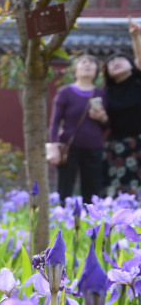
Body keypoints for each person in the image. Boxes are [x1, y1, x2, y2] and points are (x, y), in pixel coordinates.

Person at [48, 54, 108, 203]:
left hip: (94, 148)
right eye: (83, 62)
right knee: (64, 189)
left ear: (97, 71)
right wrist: (54, 145)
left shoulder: (102, 94)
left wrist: (101, 118)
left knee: (92, 191)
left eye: (91, 63)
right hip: (69, 147)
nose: (87, 65)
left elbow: (108, 125)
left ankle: (90, 222)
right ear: (75, 70)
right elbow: (55, 121)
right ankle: (62, 220)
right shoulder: (65, 92)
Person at [102, 17, 141, 197]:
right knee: (117, 192)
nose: (115, 62)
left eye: (120, 59)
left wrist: (135, 38)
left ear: (131, 66)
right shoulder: (105, 94)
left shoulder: (138, 81)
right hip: (118, 147)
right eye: (111, 62)